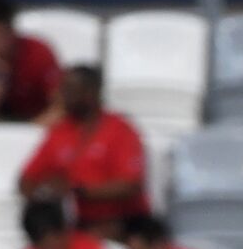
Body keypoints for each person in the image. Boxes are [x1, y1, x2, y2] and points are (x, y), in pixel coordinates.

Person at [17, 65, 148, 240]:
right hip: (75, 222)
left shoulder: (120, 130)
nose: (63, 95)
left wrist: (78, 191)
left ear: (91, 92)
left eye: (70, 89)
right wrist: (43, 193)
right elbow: (27, 178)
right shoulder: (59, 131)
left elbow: (130, 186)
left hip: (123, 222)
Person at [0, 0, 62, 125]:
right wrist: (1, 75)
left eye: (3, 34)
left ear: (12, 30)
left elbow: (61, 107)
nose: (0, 42)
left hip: (37, 121)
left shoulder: (39, 52)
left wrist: (29, 130)